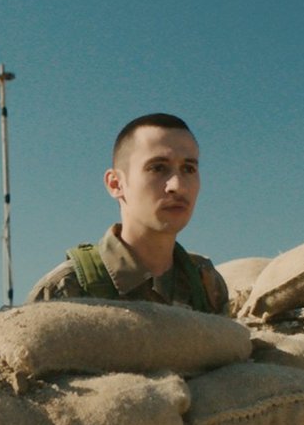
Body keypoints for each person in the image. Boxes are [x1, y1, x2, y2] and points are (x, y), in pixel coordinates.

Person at [26, 113, 229, 314]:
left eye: (189, 169)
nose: (177, 186)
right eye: (158, 168)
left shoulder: (206, 284)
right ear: (115, 184)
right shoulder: (66, 289)